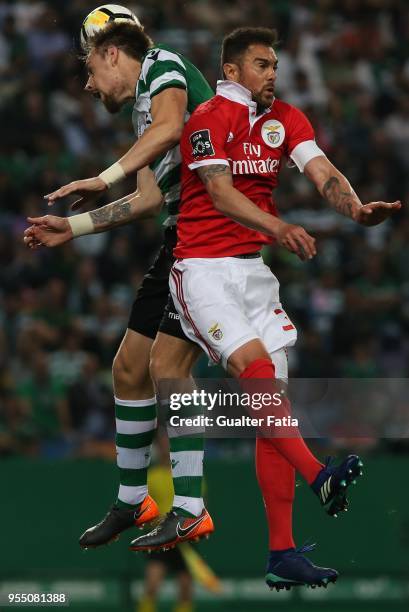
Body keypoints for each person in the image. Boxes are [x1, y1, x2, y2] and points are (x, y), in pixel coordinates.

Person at [129, 27, 401, 590]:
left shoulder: (286, 119)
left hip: (253, 272)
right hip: (201, 268)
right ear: (231, 71)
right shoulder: (206, 119)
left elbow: (321, 169)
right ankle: (318, 473)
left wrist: (354, 208)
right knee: (252, 370)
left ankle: (281, 552)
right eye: (260, 64)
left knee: (271, 406)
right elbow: (220, 192)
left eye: (274, 63)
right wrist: (280, 226)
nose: (272, 73)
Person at [25, 21, 214, 547]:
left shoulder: (163, 66)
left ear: (111, 53)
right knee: (130, 368)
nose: (87, 85)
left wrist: (103, 177)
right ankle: (135, 501)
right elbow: (149, 199)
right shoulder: (142, 112)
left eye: (88, 68)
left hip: (210, 237)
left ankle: (193, 505)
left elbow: (174, 126)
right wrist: (75, 227)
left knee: (170, 367)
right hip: (181, 232)